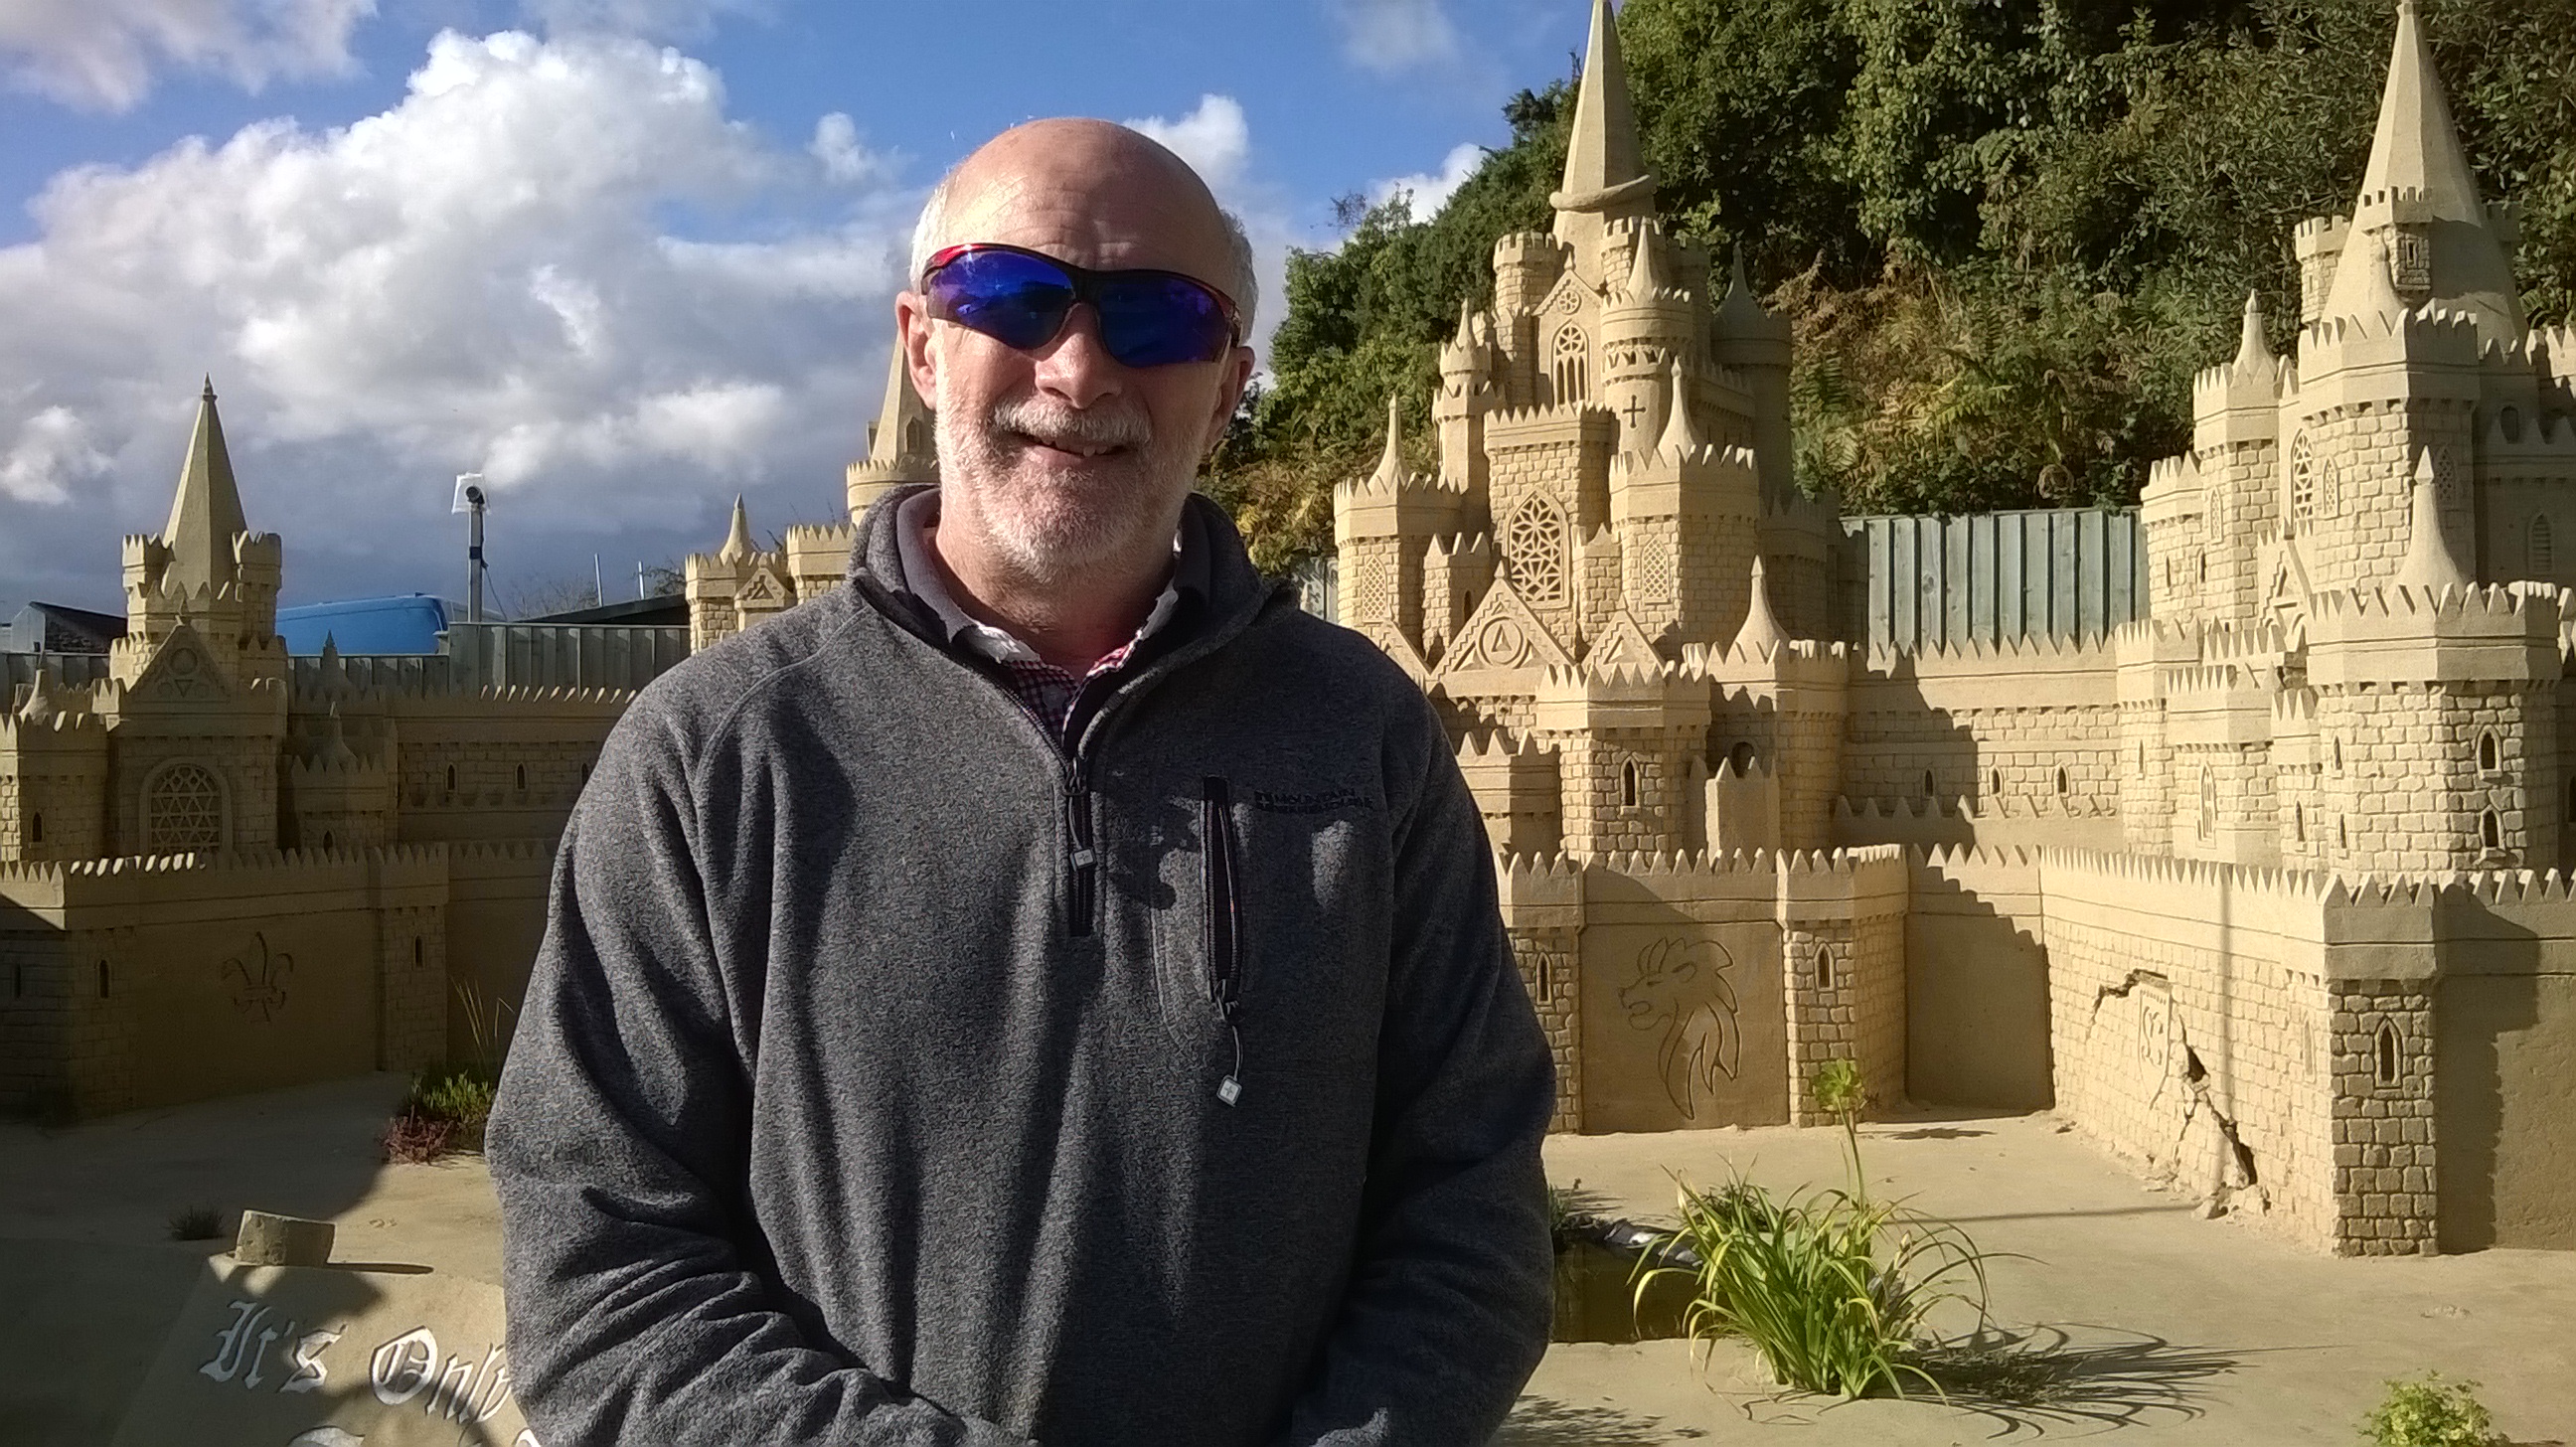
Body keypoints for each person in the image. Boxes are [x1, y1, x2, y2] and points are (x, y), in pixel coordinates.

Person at [489, 118, 1556, 1446]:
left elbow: (1471, 1208)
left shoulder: (1361, 738)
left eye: (1159, 316)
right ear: (923, 344)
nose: (1078, 364)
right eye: (1010, 294)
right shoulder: (714, 755)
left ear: (1230, 385)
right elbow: (601, 1273)